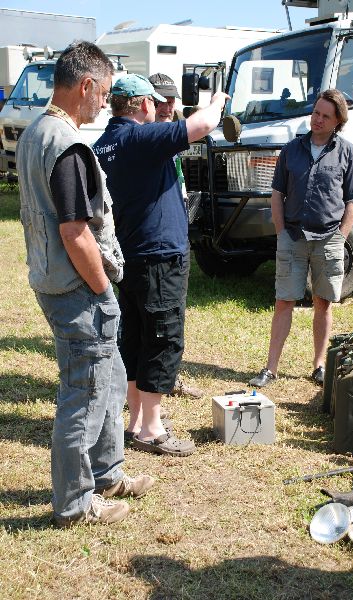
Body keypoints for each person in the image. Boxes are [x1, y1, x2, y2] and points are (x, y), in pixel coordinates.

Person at [16, 42, 155, 528]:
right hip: (77, 288)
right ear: (86, 86)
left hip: (52, 279)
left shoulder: (35, 132)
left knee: (111, 377)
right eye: (106, 92)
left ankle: (108, 472)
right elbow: (75, 231)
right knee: (85, 393)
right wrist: (101, 289)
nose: (106, 102)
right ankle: (75, 504)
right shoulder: (66, 144)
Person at [93, 74, 229, 456]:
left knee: (135, 337)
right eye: (153, 102)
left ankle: (137, 420)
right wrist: (217, 101)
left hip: (130, 255)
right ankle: (152, 429)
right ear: (141, 105)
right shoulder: (139, 138)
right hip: (159, 256)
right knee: (163, 337)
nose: (158, 108)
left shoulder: (104, 144)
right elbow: (202, 125)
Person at [249, 89, 353, 389]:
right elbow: (277, 194)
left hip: (328, 238)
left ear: (337, 121)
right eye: (316, 112)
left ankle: (318, 366)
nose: (317, 119)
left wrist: (340, 237)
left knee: (323, 303)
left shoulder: (348, 153)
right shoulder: (292, 150)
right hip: (292, 235)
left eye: (324, 115)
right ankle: (271, 368)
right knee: (283, 301)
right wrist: (280, 232)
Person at [147, 72, 203, 400]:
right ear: (147, 101)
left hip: (176, 232)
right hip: (153, 243)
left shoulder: (169, 131)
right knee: (155, 320)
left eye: (172, 100)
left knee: (174, 313)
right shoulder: (150, 136)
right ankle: (152, 385)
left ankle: (169, 377)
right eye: (161, 99)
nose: (169, 106)